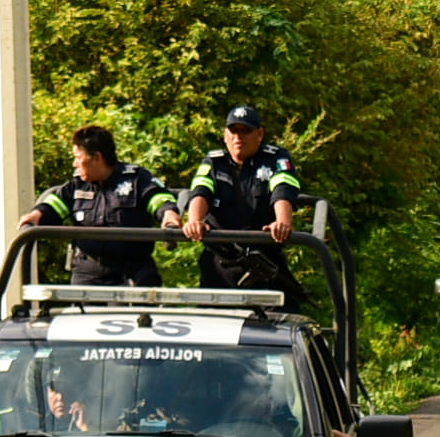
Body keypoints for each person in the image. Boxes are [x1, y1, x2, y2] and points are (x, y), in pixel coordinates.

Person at [20, 125, 180, 285]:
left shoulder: (136, 179)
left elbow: (159, 199)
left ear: (97, 157)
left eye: (78, 157)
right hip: (87, 275)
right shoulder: (78, 185)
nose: (74, 164)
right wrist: (35, 215)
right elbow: (55, 205)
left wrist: (169, 214)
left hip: (131, 273)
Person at [182, 106, 304, 303]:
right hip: (220, 265)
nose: (238, 137)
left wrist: (282, 222)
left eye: (245, 130)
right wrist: (194, 221)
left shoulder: (275, 158)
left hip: (264, 261)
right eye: (233, 131)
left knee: (279, 323)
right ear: (225, 135)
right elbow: (200, 192)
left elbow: (283, 189)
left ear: (260, 134)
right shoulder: (214, 162)